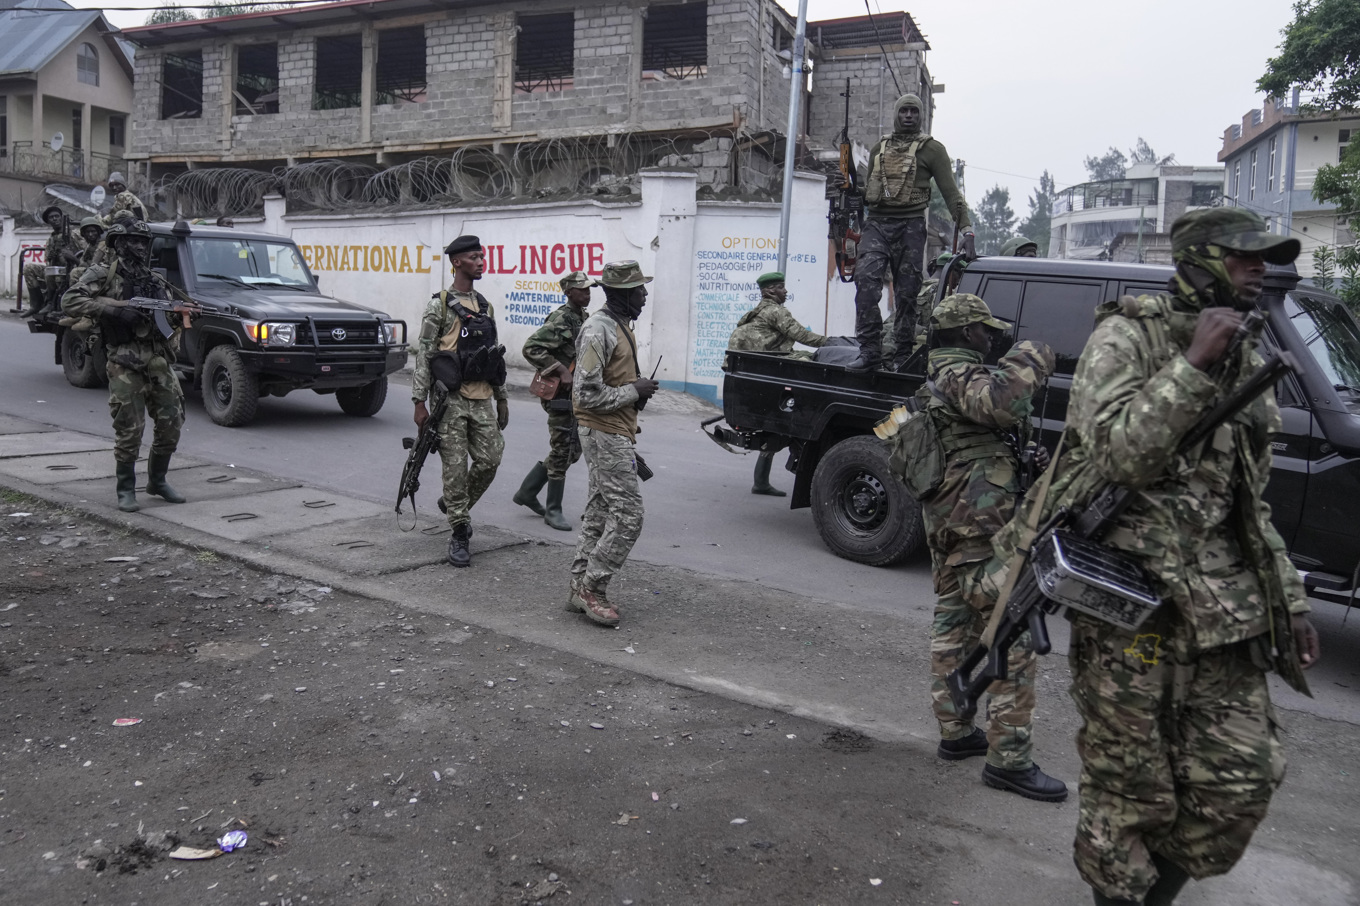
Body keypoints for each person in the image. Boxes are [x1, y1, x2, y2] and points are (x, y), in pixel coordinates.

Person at [992, 208, 1320, 905]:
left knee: (1240, 782)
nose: (1260, 269)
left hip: (1225, 616)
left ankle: (1153, 891)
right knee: (1131, 792)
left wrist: (1288, 597)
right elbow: (1119, 457)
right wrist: (1192, 365)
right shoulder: (1128, 338)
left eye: (1266, 258)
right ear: (1201, 261)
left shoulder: (1248, 354)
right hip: (1132, 612)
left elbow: (1247, 503)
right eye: (1245, 256)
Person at [916, 293, 1066, 801]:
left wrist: (1023, 457)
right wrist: (1034, 354)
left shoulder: (943, 377)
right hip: (978, 525)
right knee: (1012, 633)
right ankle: (1009, 760)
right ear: (966, 332)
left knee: (954, 625)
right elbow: (1002, 402)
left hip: (956, 522)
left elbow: (978, 438)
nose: (992, 337)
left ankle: (956, 731)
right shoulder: (956, 372)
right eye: (985, 330)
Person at [61, 221, 189, 513]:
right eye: (134, 241)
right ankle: (126, 489)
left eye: (144, 241)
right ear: (119, 243)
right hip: (124, 362)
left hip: (158, 360)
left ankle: (158, 481)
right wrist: (113, 312)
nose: (140, 247)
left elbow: (166, 319)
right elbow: (70, 300)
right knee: (130, 429)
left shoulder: (155, 279)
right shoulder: (103, 274)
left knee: (172, 423)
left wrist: (181, 316)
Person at [850, 93, 972, 373]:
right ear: (896, 113)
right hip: (877, 224)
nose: (908, 116)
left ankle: (902, 354)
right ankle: (869, 351)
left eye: (914, 111)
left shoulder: (932, 150)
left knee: (907, 293)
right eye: (904, 111)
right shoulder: (879, 148)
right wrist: (851, 189)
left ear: (920, 116)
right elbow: (872, 193)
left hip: (911, 226)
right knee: (866, 282)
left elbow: (951, 194)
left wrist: (967, 230)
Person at [567, 260, 659, 627]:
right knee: (629, 516)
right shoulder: (598, 329)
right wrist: (633, 391)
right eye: (639, 290)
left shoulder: (620, 325)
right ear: (621, 294)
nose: (645, 295)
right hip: (603, 431)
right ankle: (593, 588)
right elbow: (586, 395)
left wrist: (634, 395)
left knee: (599, 512)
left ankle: (578, 586)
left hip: (614, 428)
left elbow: (610, 382)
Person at [410, 236, 509, 568]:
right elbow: (425, 354)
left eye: (482, 256)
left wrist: (502, 398)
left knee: (491, 459)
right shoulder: (438, 305)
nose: (481, 262)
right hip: (449, 400)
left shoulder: (485, 306)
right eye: (474, 257)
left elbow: (494, 357)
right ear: (457, 262)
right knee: (454, 469)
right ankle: (460, 530)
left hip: (482, 398)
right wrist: (419, 401)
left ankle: (454, 504)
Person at [727, 271, 831, 495]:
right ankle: (769, 482)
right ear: (770, 291)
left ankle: (761, 482)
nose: (786, 291)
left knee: (774, 431)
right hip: (773, 371)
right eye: (781, 287)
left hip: (761, 373)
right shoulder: (775, 311)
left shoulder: (758, 312)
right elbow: (802, 335)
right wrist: (833, 343)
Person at [516, 270, 594, 531]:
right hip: (560, 396)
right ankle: (553, 510)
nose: (588, 293)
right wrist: (560, 369)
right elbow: (531, 348)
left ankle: (527, 492)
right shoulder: (561, 318)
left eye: (589, 289)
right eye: (582, 289)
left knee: (571, 450)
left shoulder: (582, 317)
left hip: (576, 394)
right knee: (563, 450)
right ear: (569, 292)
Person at [20, 206, 84, 320]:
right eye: (51, 217)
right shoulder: (51, 239)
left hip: (73, 268)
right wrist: (51, 257)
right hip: (56, 269)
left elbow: (85, 251)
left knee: (50, 272)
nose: (55, 219)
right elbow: (47, 260)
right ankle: (36, 305)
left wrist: (72, 257)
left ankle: (51, 303)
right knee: (29, 268)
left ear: (61, 218)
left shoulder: (73, 234)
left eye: (57, 216)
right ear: (48, 221)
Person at [68, 217, 107, 285]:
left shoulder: (102, 244)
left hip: (103, 274)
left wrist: (74, 259)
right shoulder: (90, 246)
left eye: (93, 231)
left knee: (75, 273)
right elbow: (83, 262)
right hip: (94, 272)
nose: (90, 234)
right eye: (87, 232)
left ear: (98, 232)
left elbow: (93, 266)